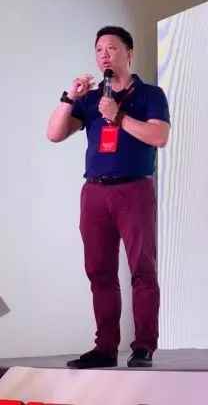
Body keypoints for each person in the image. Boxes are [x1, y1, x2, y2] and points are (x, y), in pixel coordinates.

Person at [46, 26, 170, 369]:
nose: (104, 55)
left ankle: (144, 346)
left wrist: (119, 115)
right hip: (95, 193)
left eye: (112, 49)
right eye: (99, 50)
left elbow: (159, 136)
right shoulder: (90, 99)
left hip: (134, 190)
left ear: (129, 53)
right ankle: (105, 348)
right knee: (99, 271)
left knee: (142, 269)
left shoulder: (150, 95)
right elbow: (54, 134)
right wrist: (70, 98)